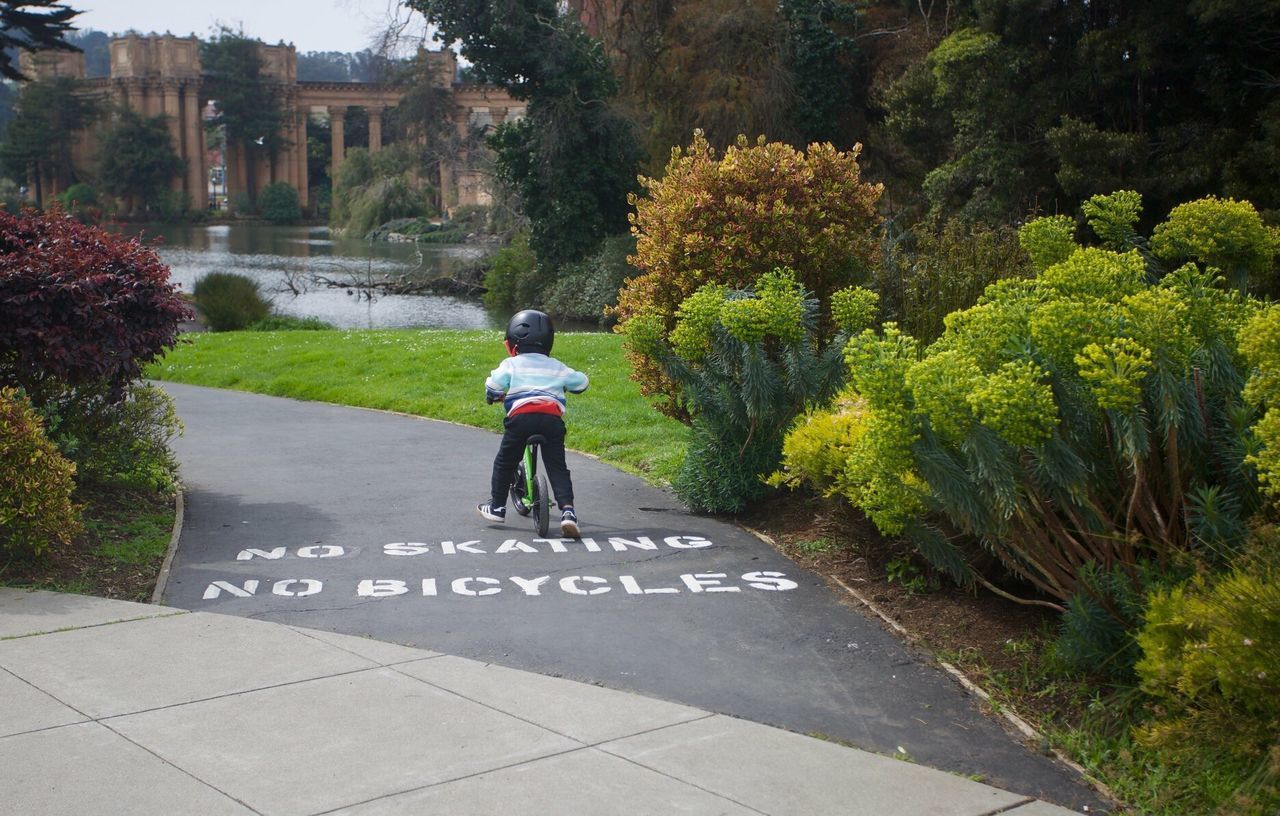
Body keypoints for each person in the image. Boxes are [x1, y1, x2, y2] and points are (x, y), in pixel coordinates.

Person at [478, 309, 588, 537]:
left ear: (513, 342)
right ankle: (568, 512)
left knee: (505, 461)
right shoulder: (557, 366)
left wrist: (493, 395)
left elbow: (494, 385)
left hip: (521, 419)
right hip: (551, 421)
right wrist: (566, 385)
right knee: (557, 467)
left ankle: (497, 507)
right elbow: (581, 383)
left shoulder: (511, 364)